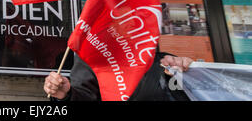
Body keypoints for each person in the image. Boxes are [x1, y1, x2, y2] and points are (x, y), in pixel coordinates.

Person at [43, 51, 193, 101]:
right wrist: (67, 96)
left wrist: (193, 73)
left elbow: (189, 94)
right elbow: (83, 96)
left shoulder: (164, 61)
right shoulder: (91, 61)